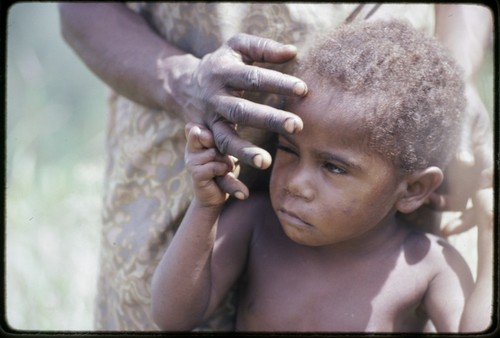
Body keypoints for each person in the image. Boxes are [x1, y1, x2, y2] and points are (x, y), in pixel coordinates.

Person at [58, 3, 493, 331]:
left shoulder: (426, 263)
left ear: (414, 189)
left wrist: (493, 236)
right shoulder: (256, 223)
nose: (296, 185)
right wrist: (206, 207)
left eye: (335, 168)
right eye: (287, 149)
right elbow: (172, 315)